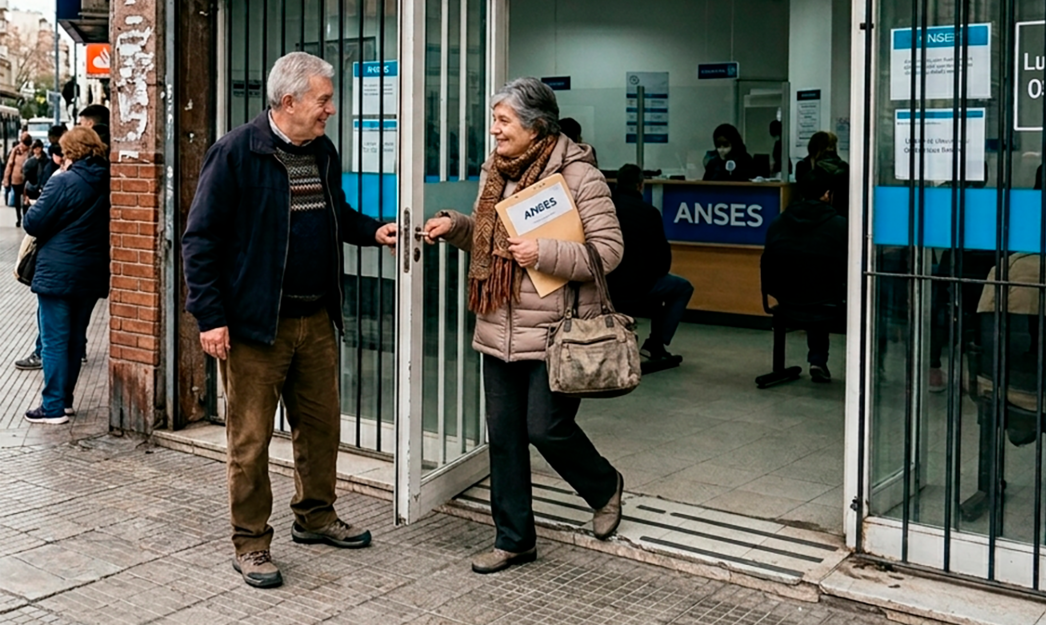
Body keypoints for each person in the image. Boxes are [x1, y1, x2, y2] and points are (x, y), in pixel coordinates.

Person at [182, 52, 399, 589]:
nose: (330, 110)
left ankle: (316, 516)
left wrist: (373, 231)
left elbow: (334, 213)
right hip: (257, 326)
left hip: (316, 318)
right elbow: (200, 241)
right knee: (250, 442)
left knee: (321, 429)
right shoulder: (236, 153)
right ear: (289, 101)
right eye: (323, 100)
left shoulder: (322, 151)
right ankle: (251, 542)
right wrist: (211, 317)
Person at [422, 77, 624, 575]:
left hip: (557, 329)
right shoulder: (498, 173)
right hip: (499, 323)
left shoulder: (580, 176)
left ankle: (605, 486)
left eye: (503, 121)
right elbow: (491, 243)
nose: (494, 130)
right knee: (506, 437)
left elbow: (610, 252)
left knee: (546, 428)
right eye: (494, 120)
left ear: (536, 127)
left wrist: (545, 253)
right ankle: (514, 539)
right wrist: (456, 226)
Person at [21, 127, 110, 424]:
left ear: (70, 152)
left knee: (54, 340)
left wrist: (35, 203)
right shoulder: (108, 180)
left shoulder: (64, 182)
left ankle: (53, 407)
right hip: (91, 272)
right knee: (75, 339)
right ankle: (65, 400)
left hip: (58, 272)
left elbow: (34, 223)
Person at [761, 167, 848, 383]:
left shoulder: (778, 222)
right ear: (827, 194)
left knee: (811, 287)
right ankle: (818, 361)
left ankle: (817, 360)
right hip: (828, 300)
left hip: (787, 297)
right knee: (821, 292)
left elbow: (768, 260)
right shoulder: (840, 226)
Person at [607, 163, 694, 368]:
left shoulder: (605, 209)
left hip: (605, 285)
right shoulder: (649, 213)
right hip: (639, 286)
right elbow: (662, 260)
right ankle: (655, 344)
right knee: (682, 288)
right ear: (640, 186)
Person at [14, 144, 67, 373]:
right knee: (74, 330)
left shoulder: (60, 179)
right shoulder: (102, 180)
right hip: (88, 267)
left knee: (50, 327)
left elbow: (34, 222)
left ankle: (56, 401)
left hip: (56, 262)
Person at [794, 131, 850, 218]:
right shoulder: (843, 166)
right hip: (838, 214)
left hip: (810, 213)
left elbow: (801, 193)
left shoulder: (804, 165)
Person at [4, 133, 32, 225]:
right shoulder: (15, 151)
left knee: (25, 200)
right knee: (17, 199)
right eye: (21, 143)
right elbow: (9, 165)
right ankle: (18, 218)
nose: (21, 146)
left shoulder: (31, 152)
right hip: (15, 179)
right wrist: (6, 179)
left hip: (26, 180)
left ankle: (25, 217)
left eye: (24, 144)